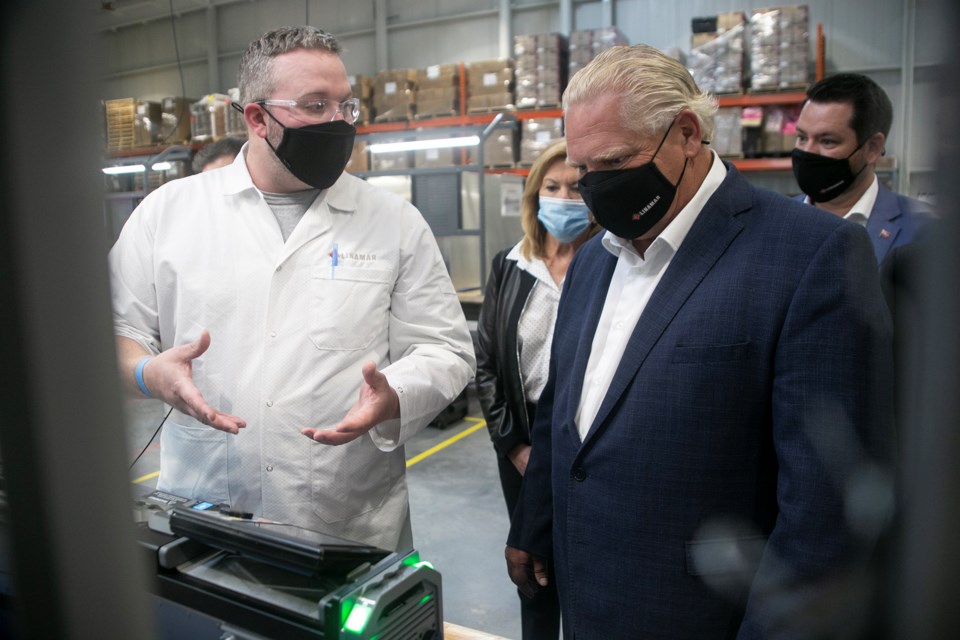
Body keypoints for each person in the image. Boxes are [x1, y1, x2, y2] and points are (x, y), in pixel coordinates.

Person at [504, 44, 895, 639]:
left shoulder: (811, 255)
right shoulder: (593, 262)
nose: (595, 189)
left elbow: (828, 507)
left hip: (703, 613)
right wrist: (534, 526)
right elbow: (565, 408)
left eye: (612, 162)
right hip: (587, 598)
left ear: (686, 133)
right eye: (585, 171)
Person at [108, 26, 475, 551]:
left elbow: (445, 348)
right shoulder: (170, 213)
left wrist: (394, 393)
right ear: (257, 118)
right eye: (314, 105)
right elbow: (112, 334)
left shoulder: (394, 221)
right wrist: (149, 372)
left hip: (345, 519)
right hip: (204, 512)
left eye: (345, 105)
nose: (337, 121)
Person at [475, 139, 597, 640]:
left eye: (576, 186)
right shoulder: (511, 264)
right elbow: (486, 363)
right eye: (552, 186)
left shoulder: (611, 260)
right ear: (534, 194)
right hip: (522, 442)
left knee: (588, 568)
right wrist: (514, 445)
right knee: (532, 570)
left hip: (587, 440)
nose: (564, 198)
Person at [792, 72, 934, 265]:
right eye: (802, 138)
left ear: (873, 148)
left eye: (827, 141)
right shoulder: (771, 223)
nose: (808, 151)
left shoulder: (926, 229)